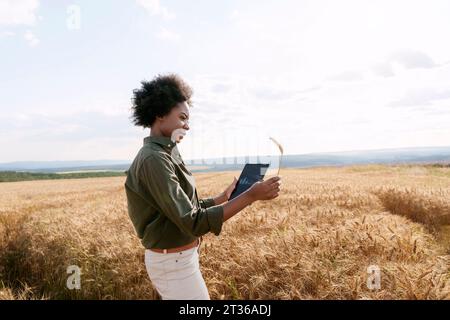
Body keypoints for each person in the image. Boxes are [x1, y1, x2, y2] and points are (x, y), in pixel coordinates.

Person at [124, 73, 282, 300]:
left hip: (177, 260)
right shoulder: (154, 159)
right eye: (182, 117)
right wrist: (250, 195)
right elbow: (192, 222)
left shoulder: (166, 153)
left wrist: (222, 198)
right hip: (173, 265)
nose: (187, 126)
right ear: (159, 114)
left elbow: (182, 209)